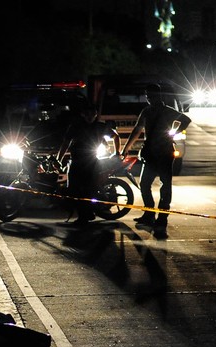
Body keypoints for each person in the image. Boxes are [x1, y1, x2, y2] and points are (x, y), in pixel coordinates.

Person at [120, 84, 191, 239]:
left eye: (150, 95)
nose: (148, 98)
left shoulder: (167, 111)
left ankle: (162, 218)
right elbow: (137, 130)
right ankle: (149, 213)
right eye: (147, 95)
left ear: (158, 95)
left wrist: (173, 132)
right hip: (151, 153)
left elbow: (186, 119)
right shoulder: (146, 111)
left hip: (164, 153)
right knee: (145, 184)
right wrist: (126, 148)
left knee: (165, 185)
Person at [57, 103, 118, 225]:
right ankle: (85, 214)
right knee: (74, 190)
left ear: (96, 114)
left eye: (93, 113)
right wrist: (59, 158)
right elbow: (65, 143)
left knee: (89, 190)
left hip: (92, 162)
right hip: (76, 162)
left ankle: (85, 216)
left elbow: (115, 136)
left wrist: (116, 153)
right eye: (87, 113)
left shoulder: (101, 127)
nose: (90, 116)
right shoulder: (75, 127)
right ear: (82, 114)